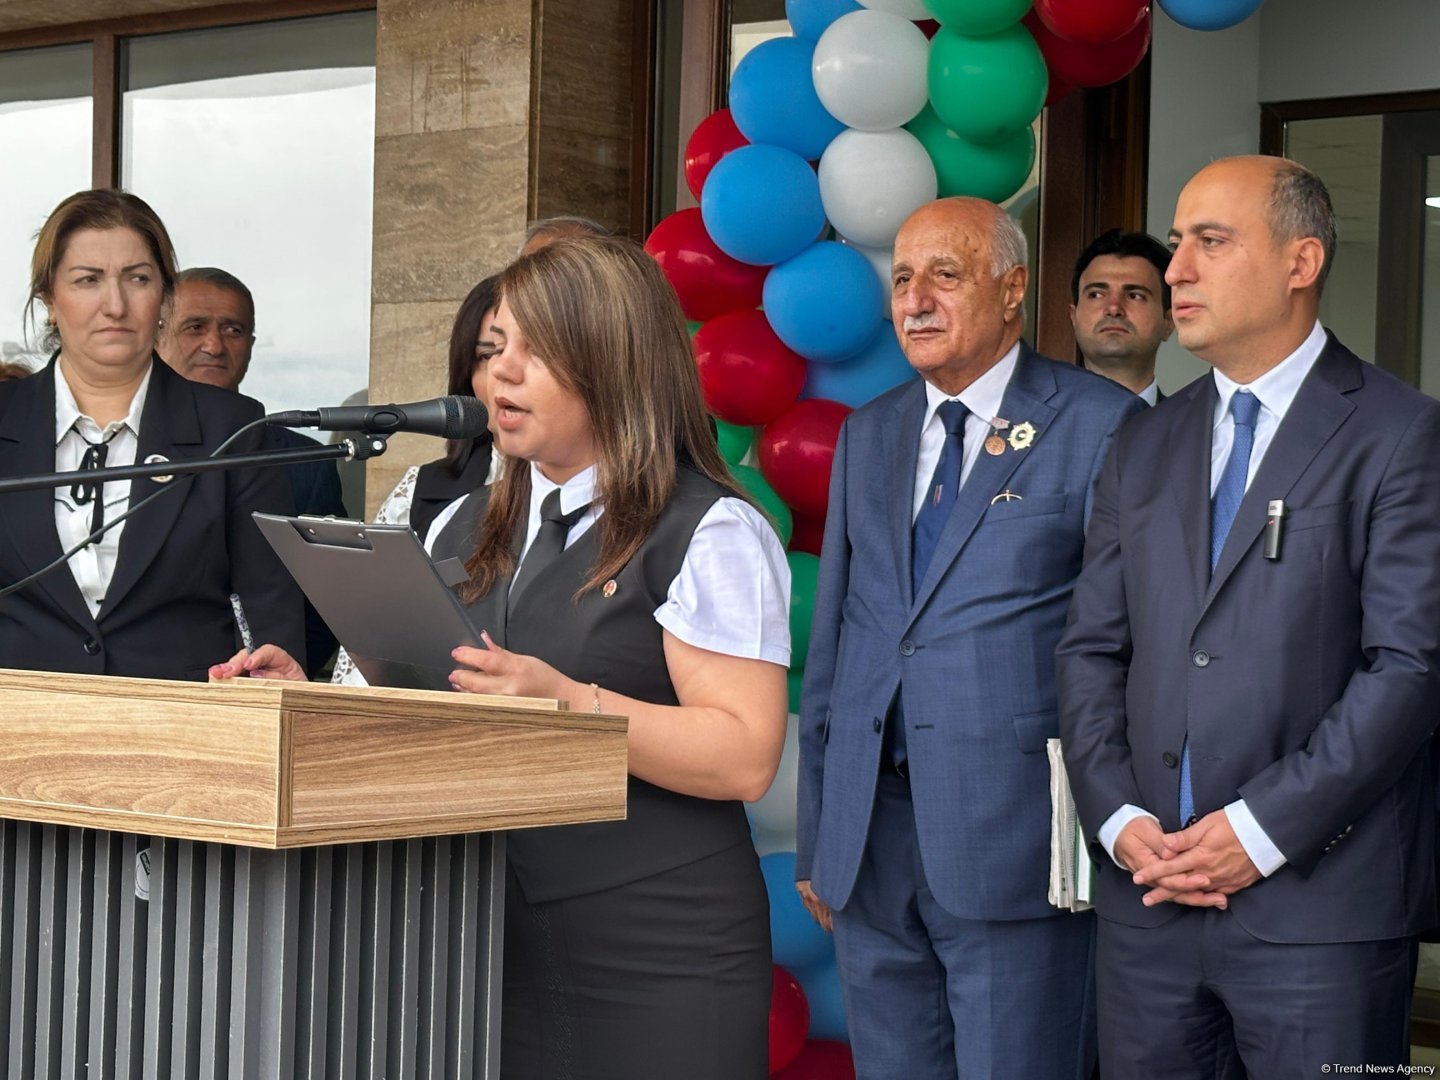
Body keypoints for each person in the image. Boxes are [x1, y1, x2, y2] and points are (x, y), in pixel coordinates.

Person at [212, 235, 791, 1080]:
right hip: (484, 948)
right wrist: (311, 697)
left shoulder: (709, 530)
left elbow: (744, 756)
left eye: (533, 351)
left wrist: (563, 701)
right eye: (492, 350)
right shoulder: (463, 521)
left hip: (659, 954)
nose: (499, 376)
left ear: (613, 362)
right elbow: (428, 710)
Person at [1056, 156, 1440, 1078]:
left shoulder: (1400, 433)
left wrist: (1258, 832)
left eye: (1209, 242)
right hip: (1146, 903)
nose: (1177, 267)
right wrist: (1113, 819)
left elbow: (1411, 669)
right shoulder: (1143, 438)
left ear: (1301, 261)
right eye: (1180, 240)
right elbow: (1092, 648)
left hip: (1321, 917)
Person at [794, 196, 1144, 1079]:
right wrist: (818, 837)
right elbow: (838, 641)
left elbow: (1131, 647)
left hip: (1017, 844)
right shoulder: (869, 434)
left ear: (1013, 288)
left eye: (945, 276)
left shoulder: (1101, 424)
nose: (915, 300)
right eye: (904, 279)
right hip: (869, 848)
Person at [0, 188, 304, 679]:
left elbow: (270, 606)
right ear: (49, 299)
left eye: (137, 279)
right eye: (88, 280)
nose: (114, 305)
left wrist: (266, 677)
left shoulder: (234, 429)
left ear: (163, 298)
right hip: (16, 728)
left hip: (181, 731)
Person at [158, 266, 345, 675]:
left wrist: (269, 674)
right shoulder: (125, 448)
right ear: (159, 333)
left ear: (252, 345)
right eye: (194, 326)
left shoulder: (305, 463)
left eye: (233, 330)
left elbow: (328, 601)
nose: (213, 344)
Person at [1069, 228, 1174, 405]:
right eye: (1096, 294)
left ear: (1169, 322)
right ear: (1074, 316)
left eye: (1135, 295)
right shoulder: (1034, 425)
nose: (1113, 308)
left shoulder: (1198, 429)